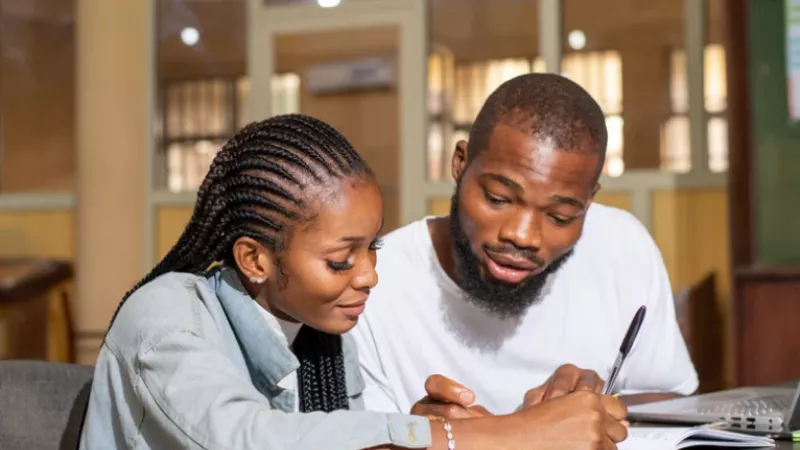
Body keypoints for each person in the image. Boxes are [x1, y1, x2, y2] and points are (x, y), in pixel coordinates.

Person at [79, 114, 629, 450]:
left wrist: (435, 431)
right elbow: (248, 440)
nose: (369, 275)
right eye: (342, 260)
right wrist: (491, 440)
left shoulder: (321, 331)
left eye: (373, 248)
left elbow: (336, 438)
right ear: (254, 259)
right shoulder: (166, 317)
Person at [351, 73, 699, 419]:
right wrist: (427, 439)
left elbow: (673, 400)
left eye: (560, 216)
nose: (523, 236)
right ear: (460, 163)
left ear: (589, 201)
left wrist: (597, 407)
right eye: (498, 198)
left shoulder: (622, 246)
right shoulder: (372, 285)